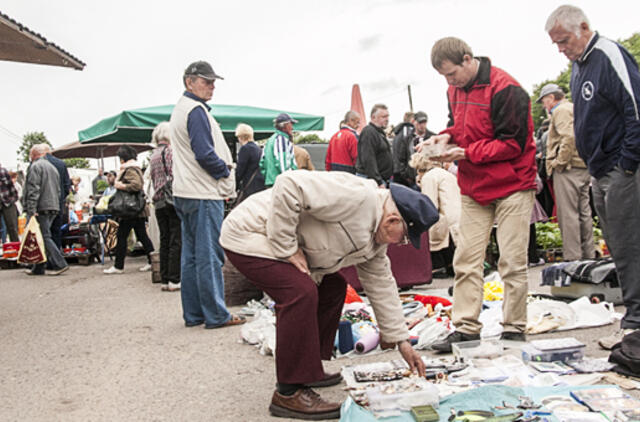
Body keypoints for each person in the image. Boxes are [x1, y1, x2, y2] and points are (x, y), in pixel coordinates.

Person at [220, 170, 435, 420]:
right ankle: (288, 393)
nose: (401, 244)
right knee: (300, 292)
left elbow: (382, 285)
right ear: (392, 220)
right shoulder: (357, 196)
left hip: (277, 240)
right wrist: (286, 246)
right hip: (250, 233)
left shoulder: (376, 240)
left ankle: (309, 368)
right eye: (406, 238)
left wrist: (402, 342)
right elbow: (288, 184)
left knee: (333, 287)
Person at [422, 37, 537, 351]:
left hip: (513, 183)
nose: (450, 82)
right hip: (475, 186)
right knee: (466, 259)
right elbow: (457, 126)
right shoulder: (454, 90)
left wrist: (464, 153)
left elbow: (512, 144)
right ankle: (466, 329)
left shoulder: (507, 89)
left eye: (452, 74)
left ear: (468, 59)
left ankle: (514, 328)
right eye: (444, 78)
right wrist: (442, 140)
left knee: (512, 261)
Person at [545, 5, 640, 343]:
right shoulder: (578, 67)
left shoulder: (608, 54)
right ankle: (633, 317)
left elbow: (634, 106)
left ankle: (636, 322)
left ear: (584, 27)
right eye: (555, 43)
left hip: (621, 167)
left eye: (564, 40)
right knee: (616, 245)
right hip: (598, 171)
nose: (561, 48)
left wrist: (628, 162)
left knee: (630, 244)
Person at [169, 60, 244, 329]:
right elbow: (204, 153)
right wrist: (224, 170)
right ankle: (215, 314)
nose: (212, 86)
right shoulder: (196, 110)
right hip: (202, 192)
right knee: (209, 255)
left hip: (186, 191)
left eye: (213, 82)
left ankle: (195, 313)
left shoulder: (181, 109)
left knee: (190, 256)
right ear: (190, 81)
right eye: (206, 81)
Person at [537, 83, 595, 261]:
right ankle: (588, 255)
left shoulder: (560, 111)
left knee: (568, 215)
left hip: (569, 168)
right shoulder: (574, 107)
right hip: (582, 165)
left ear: (551, 98)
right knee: (584, 213)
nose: (544, 106)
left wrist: (559, 162)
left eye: (544, 101)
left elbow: (568, 136)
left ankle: (573, 258)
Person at [103, 146, 155, 275]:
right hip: (137, 209)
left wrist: (121, 185)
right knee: (142, 235)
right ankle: (152, 261)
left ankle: (118, 266)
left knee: (122, 236)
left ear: (122, 159)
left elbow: (136, 185)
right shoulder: (134, 168)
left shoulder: (129, 169)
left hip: (131, 210)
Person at [409, 153, 460, 278]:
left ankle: (437, 267)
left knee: (429, 232)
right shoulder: (446, 174)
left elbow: (430, 205)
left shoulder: (429, 178)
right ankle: (450, 266)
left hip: (445, 220)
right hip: (457, 217)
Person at [21, 145, 69, 276]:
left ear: (33, 155)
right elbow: (59, 190)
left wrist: (31, 209)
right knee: (41, 236)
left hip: (42, 207)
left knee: (44, 236)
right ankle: (38, 267)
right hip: (53, 205)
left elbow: (33, 190)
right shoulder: (52, 168)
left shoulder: (35, 167)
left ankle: (60, 263)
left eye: (30, 155)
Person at [149, 122, 181, 292]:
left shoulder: (153, 155)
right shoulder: (170, 151)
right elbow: (174, 175)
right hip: (171, 199)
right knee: (176, 239)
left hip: (159, 201)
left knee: (164, 239)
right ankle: (175, 279)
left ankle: (164, 277)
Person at [393, 111, 437, 187]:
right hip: (412, 181)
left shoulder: (433, 137)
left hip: (431, 179)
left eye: (424, 122)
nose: (422, 125)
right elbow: (401, 159)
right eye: (420, 123)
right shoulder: (407, 139)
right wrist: (407, 176)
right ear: (414, 122)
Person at [356, 104, 393, 187]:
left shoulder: (378, 132)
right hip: (371, 181)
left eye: (387, 116)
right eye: (383, 117)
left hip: (380, 179)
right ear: (373, 117)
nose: (387, 119)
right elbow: (368, 159)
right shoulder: (369, 132)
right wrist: (378, 181)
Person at [43, 144, 72, 249]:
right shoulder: (61, 164)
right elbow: (67, 185)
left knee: (45, 232)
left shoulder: (39, 164)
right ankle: (58, 255)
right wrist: (62, 198)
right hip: (59, 202)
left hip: (44, 204)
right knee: (56, 230)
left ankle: (50, 258)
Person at [259, 113, 298, 187]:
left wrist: (269, 178)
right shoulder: (281, 139)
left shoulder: (270, 140)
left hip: (271, 182)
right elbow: (283, 164)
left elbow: (262, 163)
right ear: (285, 126)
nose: (292, 127)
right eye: (291, 124)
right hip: (282, 184)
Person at [234, 123, 265, 202]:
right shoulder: (258, 149)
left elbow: (240, 171)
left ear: (240, 136)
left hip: (250, 187)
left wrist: (235, 186)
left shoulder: (245, 149)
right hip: (260, 185)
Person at [0, 162, 19, 242]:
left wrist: (13, 199)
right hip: (7, 200)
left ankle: (16, 246)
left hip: (7, 201)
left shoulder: (3, 172)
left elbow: (11, 186)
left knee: (12, 227)